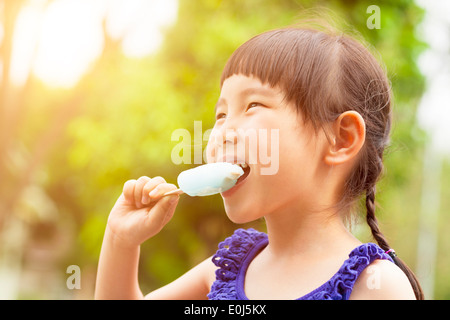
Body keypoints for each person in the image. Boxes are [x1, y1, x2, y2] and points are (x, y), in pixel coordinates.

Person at [95, 23, 424, 300]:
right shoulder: (227, 268)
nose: (221, 132)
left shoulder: (377, 286)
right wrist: (120, 241)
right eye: (221, 114)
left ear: (341, 139)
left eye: (252, 105)